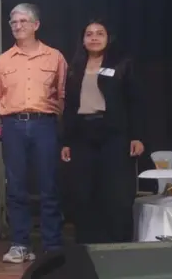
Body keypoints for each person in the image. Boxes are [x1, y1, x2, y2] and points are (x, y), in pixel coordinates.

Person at [0, 3, 67, 263]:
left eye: (23, 21)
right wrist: (10, 119)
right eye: (13, 22)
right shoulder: (2, 61)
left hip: (45, 125)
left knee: (48, 186)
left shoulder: (55, 57)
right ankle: (20, 243)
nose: (17, 26)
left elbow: (63, 95)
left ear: (36, 25)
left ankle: (52, 244)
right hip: (13, 126)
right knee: (16, 187)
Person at [61, 20, 144, 244]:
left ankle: (118, 245)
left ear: (108, 38)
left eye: (99, 33)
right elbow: (69, 106)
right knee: (83, 192)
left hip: (113, 134)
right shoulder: (75, 67)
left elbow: (134, 102)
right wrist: (66, 141)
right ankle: (88, 245)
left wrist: (136, 136)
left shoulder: (122, 64)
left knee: (115, 193)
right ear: (83, 40)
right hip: (82, 134)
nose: (94, 38)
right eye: (89, 34)